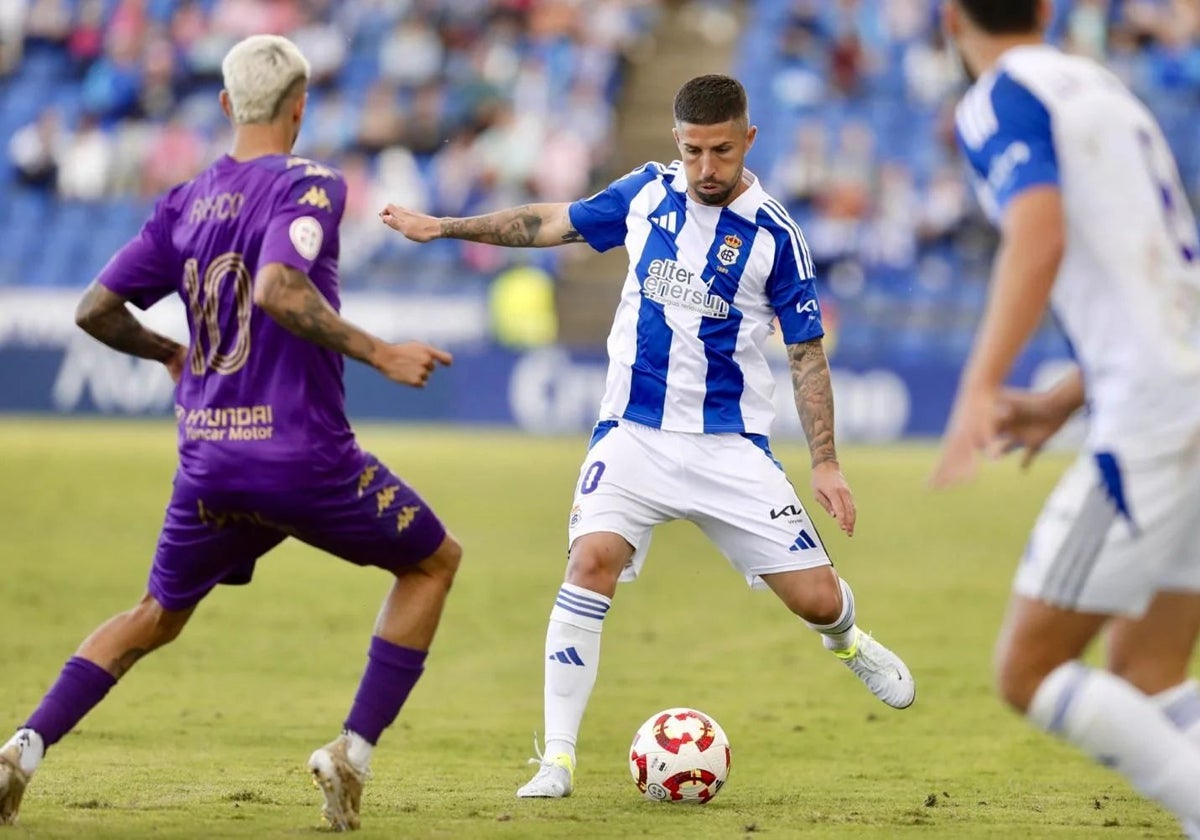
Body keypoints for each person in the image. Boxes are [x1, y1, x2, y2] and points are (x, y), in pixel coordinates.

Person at [381, 73, 916, 799]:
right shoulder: (645, 193)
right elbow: (550, 222)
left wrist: (825, 463)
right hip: (631, 433)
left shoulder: (776, 237)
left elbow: (805, 352)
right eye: (693, 151)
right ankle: (558, 761)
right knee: (590, 560)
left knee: (819, 599)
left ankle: (849, 642)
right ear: (676, 142)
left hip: (728, 445)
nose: (706, 168)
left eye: (722, 152)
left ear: (749, 140)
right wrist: (443, 227)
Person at [0, 35, 459, 832]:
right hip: (300, 459)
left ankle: (20, 750)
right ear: (299, 107)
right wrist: (381, 351)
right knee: (432, 562)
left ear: (224, 105)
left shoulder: (183, 201)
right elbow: (281, 288)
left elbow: (94, 310)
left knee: (155, 614)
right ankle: (350, 753)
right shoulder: (311, 183)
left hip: (209, 461)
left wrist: (172, 353)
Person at [932, 0, 1200, 833]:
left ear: (950, 20)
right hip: (1185, 383)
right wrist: (1059, 399)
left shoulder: (998, 96)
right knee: (1147, 673)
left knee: (1028, 671)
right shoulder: (1107, 90)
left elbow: (1036, 235)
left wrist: (979, 387)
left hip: (1152, 415)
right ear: (1047, 11)